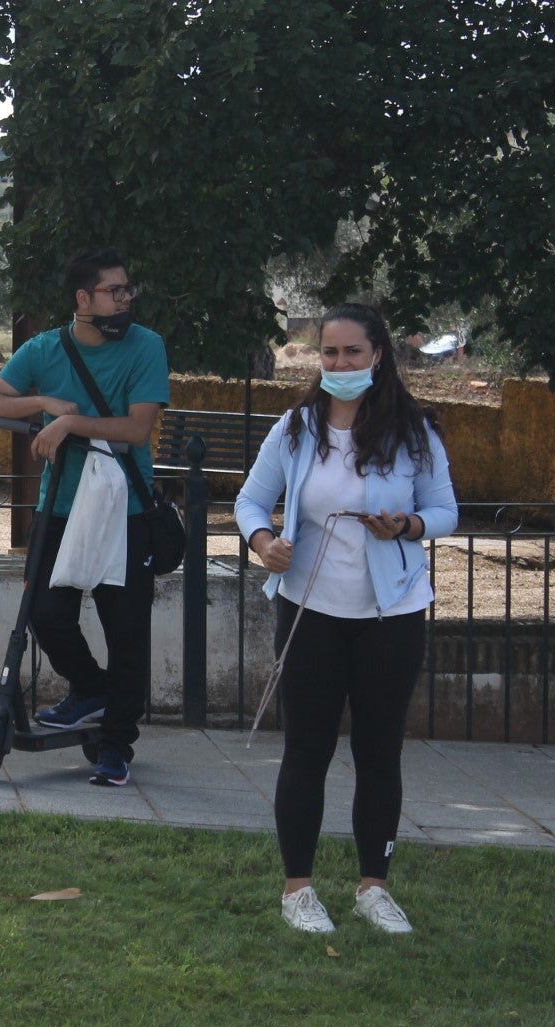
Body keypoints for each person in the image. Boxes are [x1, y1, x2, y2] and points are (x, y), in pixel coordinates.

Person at [234, 302, 458, 936]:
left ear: (377, 356)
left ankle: (373, 889)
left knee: (379, 752)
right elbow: (251, 500)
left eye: (352, 352)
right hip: (311, 612)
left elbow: (444, 512)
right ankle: (298, 891)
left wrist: (407, 525)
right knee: (306, 750)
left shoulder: (415, 432)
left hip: (393, 615)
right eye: (329, 352)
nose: (340, 363)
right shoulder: (297, 427)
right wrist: (263, 542)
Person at [0, 247, 169, 787]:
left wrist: (72, 425)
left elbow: (136, 430)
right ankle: (91, 688)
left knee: (126, 632)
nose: (124, 299)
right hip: (59, 508)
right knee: (46, 613)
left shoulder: (146, 346)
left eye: (127, 289)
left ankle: (116, 744)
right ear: (83, 298)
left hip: (125, 514)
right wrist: (45, 405)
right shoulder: (44, 349)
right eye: (113, 291)